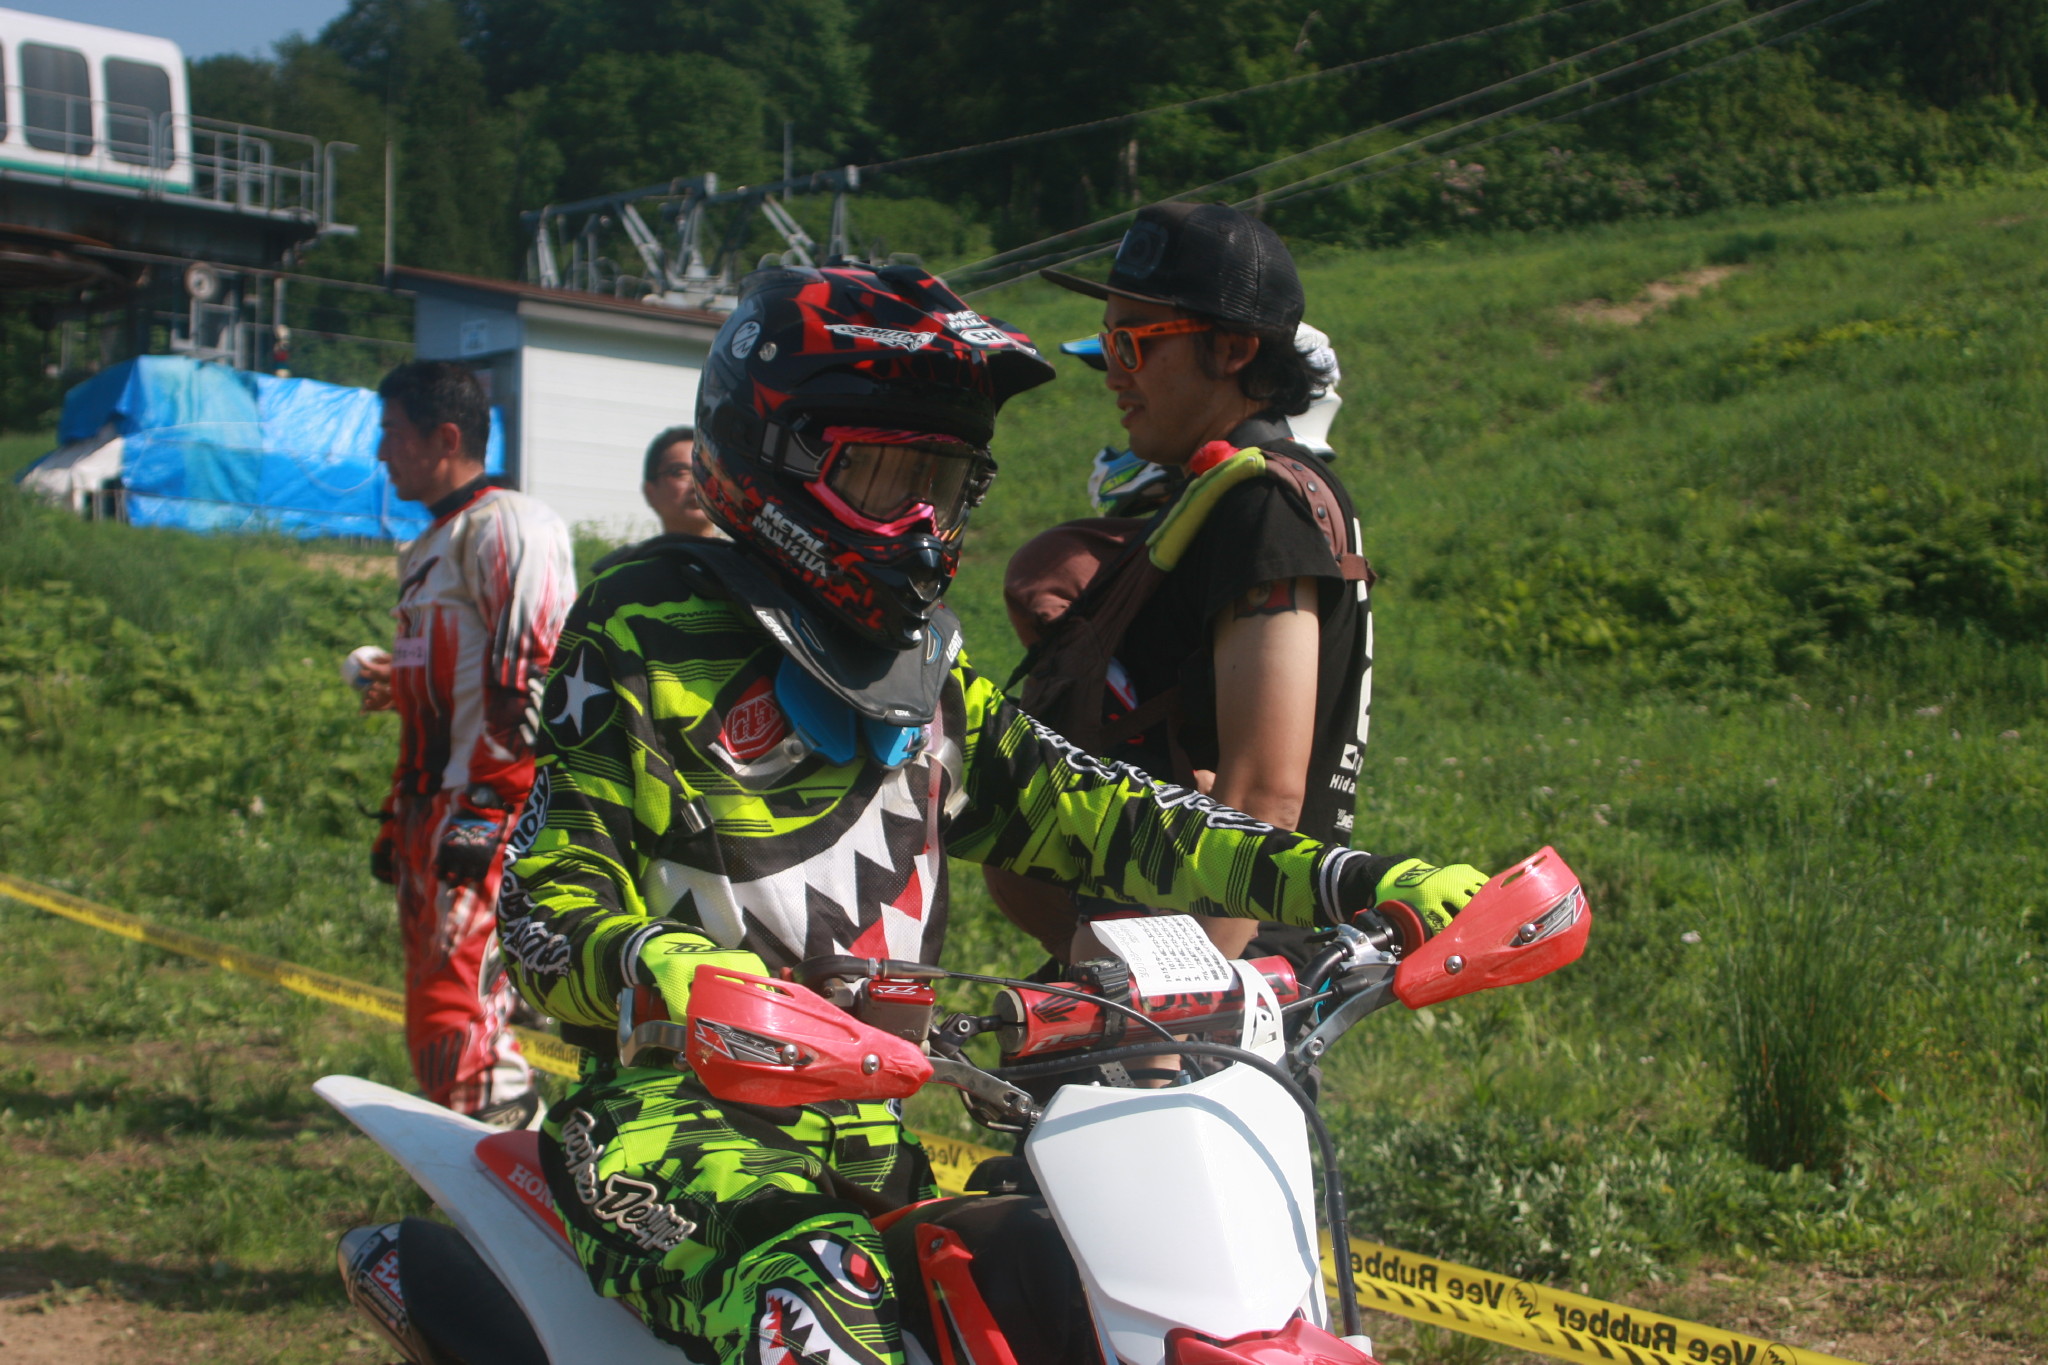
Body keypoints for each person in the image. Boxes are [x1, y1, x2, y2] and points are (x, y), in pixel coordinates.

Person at [497, 261, 1487, 1365]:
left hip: (873, 1145)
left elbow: (1100, 808)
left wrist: (1352, 881)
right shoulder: (642, 627)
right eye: (885, 478)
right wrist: (663, 966)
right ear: (777, 453)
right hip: (666, 1134)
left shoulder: (920, 668)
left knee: (1061, 1290)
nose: (923, 525)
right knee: (819, 1310)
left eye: (947, 484)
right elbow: (542, 905)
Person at [986, 203, 1405, 967]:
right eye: (1109, 342)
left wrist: (1189, 996)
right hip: (1166, 948)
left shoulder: (1263, 504)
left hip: (1214, 963)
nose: (1114, 371)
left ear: (1234, 348)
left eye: (1133, 342)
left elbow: (1262, 792)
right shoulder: (1220, 497)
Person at [365, 360, 575, 1129]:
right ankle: (489, 1167)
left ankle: (514, 1173)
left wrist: (493, 807)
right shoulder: (429, 543)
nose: (381, 452)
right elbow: (453, 683)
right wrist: (400, 811)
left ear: (445, 437)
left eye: (393, 433)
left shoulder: (510, 523)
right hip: (432, 806)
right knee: (438, 1010)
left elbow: (536, 680)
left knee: (458, 1019)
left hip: (486, 809)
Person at [640, 424, 722, 537]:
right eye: (680, 473)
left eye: (707, 471)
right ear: (650, 492)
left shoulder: (744, 547)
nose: (697, 485)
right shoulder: (644, 550)